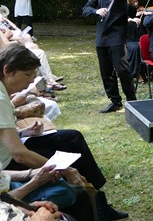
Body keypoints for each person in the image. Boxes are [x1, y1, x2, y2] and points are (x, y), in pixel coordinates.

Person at [0, 45, 128, 220]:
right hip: (7, 163)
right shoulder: (0, 98)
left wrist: (24, 132)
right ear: (7, 70)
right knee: (67, 163)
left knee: (73, 137)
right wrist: (65, 169)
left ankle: (98, 199)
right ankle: (91, 200)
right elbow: (19, 155)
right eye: (28, 74)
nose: (31, 81)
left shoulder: (3, 91)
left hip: (14, 149)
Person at [82, 0, 137, 113]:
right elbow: (86, 9)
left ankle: (132, 101)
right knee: (106, 72)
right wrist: (96, 10)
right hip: (101, 36)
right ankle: (115, 101)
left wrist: (130, 1)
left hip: (117, 35)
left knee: (122, 70)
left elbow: (131, 14)